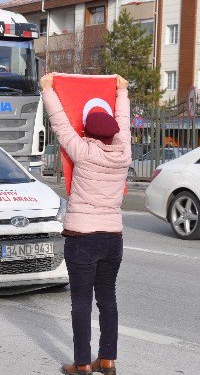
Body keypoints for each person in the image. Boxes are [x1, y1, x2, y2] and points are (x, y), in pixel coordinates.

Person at [40, 72, 131, 375]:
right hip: (113, 238)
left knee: (81, 302)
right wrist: (121, 93)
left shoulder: (82, 150)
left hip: (82, 238)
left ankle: (82, 364)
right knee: (108, 299)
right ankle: (108, 359)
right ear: (114, 132)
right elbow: (125, 123)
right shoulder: (125, 153)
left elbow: (60, 122)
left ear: (88, 132)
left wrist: (48, 90)